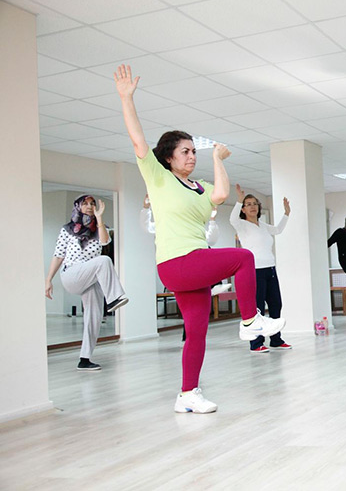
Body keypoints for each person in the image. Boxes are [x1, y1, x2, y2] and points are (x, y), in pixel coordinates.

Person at [115, 64, 285, 414]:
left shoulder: (199, 187)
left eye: (194, 151)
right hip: (176, 263)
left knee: (196, 332)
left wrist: (217, 158)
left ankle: (187, 394)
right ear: (168, 157)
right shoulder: (158, 178)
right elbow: (138, 141)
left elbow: (220, 195)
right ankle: (250, 321)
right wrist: (126, 98)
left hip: (193, 266)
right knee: (244, 257)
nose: (192, 156)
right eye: (185, 151)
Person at [45, 195, 128, 371]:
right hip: (71, 274)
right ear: (78, 206)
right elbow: (58, 255)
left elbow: (105, 241)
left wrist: (99, 219)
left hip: (89, 276)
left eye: (92, 204)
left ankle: (84, 359)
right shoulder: (67, 229)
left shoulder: (100, 228)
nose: (89, 206)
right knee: (104, 260)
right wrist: (48, 280)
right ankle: (113, 299)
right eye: (85, 203)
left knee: (94, 316)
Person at [141, 194, 231, 342]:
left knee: (196, 314)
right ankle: (189, 336)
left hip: (195, 265)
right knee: (191, 311)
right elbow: (147, 227)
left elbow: (211, 239)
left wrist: (212, 220)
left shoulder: (193, 226)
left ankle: (214, 286)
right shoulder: (166, 225)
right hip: (179, 267)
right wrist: (146, 208)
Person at [230, 184, 292, 353]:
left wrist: (286, 213)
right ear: (243, 209)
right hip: (254, 271)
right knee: (256, 307)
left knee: (276, 304)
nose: (252, 206)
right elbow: (232, 219)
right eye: (248, 204)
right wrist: (238, 200)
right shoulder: (242, 225)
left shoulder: (262, 225)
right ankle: (256, 343)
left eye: (255, 204)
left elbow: (278, 230)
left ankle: (276, 340)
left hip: (270, 270)